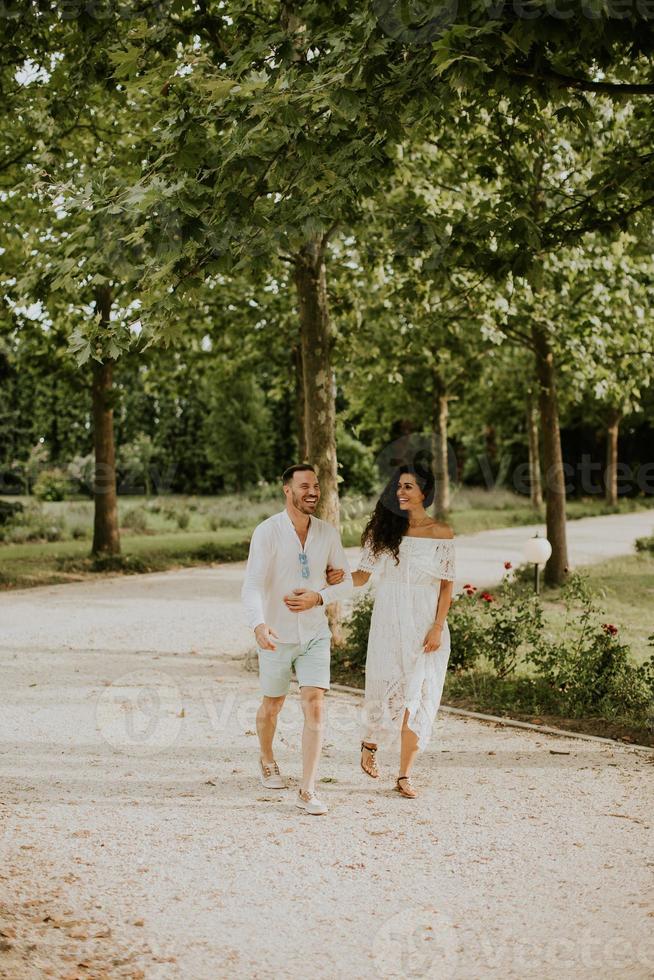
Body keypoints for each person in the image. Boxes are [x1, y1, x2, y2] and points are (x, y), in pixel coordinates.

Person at [241, 464, 353, 816]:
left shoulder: (327, 533)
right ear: (287, 490)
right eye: (304, 486)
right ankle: (267, 757)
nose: (313, 492)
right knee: (272, 705)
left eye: (316, 486)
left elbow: (346, 582)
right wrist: (258, 625)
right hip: (277, 635)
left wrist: (319, 596)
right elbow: (253, 585)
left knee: (314, 703)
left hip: (315, 635)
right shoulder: (268, 532)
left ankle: (307, 788)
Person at [342, 463, 455, 799]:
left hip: (425, 627)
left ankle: (405, 774)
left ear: (425, 492)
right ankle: (370, 743)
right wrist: (326, 579)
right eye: (399, 486)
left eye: (408, 487)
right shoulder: (385, 532)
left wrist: (437, 627)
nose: (401, 493)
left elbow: (447, 587)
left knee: (417, 697)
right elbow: (361, 577)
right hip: (390, 623)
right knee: (387, 689)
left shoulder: (442, 534)